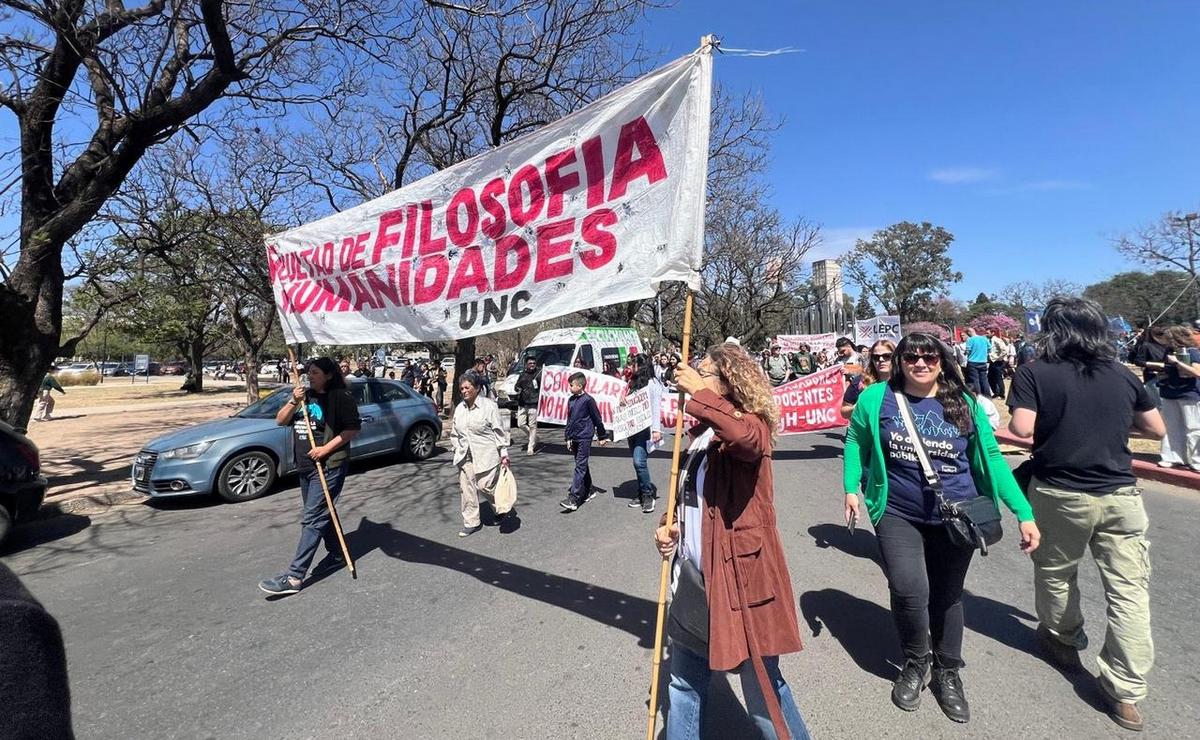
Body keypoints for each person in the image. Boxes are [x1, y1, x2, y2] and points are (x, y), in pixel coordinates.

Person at [843, 332, 1040, 724]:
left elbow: (994, 459)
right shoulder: (875, 398)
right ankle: (917, 663)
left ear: (942, 361)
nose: (920, 363)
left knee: (948, 595)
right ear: (900, 361)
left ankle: (948, 671)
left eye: (929, 357)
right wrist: (851, 488)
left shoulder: (964, 402)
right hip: (897, 511)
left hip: (958, 515)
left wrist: (1023, 511)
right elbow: (855, 439)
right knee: (908, 589)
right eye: (911, 357)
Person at [1007, 297, 1165, 732]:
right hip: (1121, 495)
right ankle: (1126, 691)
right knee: (1130, 592)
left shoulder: (1035, 372)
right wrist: (1111, 426)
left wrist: (1061, 425)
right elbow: (1156, 429)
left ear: (1051, 331)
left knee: (1057, 572)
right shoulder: (1120, 373)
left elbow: (1021, 428)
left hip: (1061, 491)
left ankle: (1063, 640)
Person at [655, 344, 811, 740]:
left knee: (761, 689)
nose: (692, 376)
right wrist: (668, 525)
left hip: (740, 582)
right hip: (693, 580)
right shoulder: (700, 437)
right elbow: (691, 498)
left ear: (728, 383)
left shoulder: (752, 425)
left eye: (703, 372)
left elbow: (745, 440)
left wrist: (700, 396)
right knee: (684, 684)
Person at [260, 358, 361, 596]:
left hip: (328, 466)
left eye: (314, 373)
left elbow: (352, 429)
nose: (309, 376)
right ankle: (337, 553)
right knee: (322, 512)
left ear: (327, 375)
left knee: (312, 518)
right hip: (305, 467)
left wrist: (325, 450)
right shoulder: (303, 395)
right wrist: (294, 401)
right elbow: (280, 420)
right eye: (308, 372)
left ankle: (295, 577)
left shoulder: (340, 397)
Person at [450, 373, 510, 537]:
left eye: (467, 387)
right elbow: (455, 433)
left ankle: (501, 506)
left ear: (476, 388)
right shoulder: (460, 409)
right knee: (467, 489)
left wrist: (503, 453)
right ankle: (471, 522)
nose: (464, 391)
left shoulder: (489, 406)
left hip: (486, 454)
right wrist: (456, 448)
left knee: (484, 486)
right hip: (465, 455)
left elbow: (499, 432)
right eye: (461, 388)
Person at [1144, 325, 1200, 470]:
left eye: (1168, 338)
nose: (1165, 341)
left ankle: (1197, 460)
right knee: (1170, 427)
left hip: (1189, 394)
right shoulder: (1168, 352)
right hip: (1169, 392)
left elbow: (1197, 372)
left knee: (1193, 428)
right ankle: (1172, 457)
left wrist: (1177, 362)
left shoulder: (1192, 352)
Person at [559, 372, 608, 511]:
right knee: (581, 464)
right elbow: (570, 420)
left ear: (580, 386)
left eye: (571, 385)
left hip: (585, 437)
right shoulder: (571, 400)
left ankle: (573, 498)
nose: (569, 387)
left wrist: (602, 436)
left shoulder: (588, 400)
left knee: (580, 466)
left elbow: (597, 419)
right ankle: (589, 489)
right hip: (574, 436)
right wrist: (567, 437)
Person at [623, 354, 664, 514]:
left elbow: (655, 407)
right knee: (636, 462)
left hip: (644, 430)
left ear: (641, 366)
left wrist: (656, 429)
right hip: (632, 429)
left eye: (634, 364)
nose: (631, 367)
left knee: (639, 461)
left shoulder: (652, 384)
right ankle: (641, 493)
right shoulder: (631, 382)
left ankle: (648, 495)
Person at [839, 340, 894, 419]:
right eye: (876, 357)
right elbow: (844, 411)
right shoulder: (860, 382)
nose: (881, 359)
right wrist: (859, 408)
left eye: (887, 356)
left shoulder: (905, 382)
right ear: (872, 360)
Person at [1132, 326, 1169, 409]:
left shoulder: (1167, 345)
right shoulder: (1146, 346)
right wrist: (1156, 365)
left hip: (1167, 378)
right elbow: (1138, 361)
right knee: (1160, 405)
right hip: (1153, 378)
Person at [513, 358, 543, 455]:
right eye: (530, 363)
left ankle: (531, 446)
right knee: (520, 424)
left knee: (532, 425)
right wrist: (517, 389)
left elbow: (545, 386)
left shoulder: (539, 374)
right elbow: (516, 386)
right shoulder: (522, 375)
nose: (532, 365)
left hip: (534, 403)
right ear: (526, 364)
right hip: (522, 403)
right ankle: (534, 437)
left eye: (534, 363)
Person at [963, 328, 992, 397]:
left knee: (975, 380)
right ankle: (987, 395)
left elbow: (968, 350)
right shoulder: (984, 339)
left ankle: (979, 395)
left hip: (973, 362)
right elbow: (990, 348)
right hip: (983, 362)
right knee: (984, 379)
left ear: (969, 333)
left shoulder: (970, 340)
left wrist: (965, 353)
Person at [986, 329, 1010, 400]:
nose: (986, 334)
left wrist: (997, 358)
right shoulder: (989, 341)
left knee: (998, 378)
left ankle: (1002, 395)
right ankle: (996, 393)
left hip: (998, 362)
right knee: (990, 377)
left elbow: (1004, 350)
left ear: (992, 333)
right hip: (992, 362)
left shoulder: (997, 340)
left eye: (988, 333)